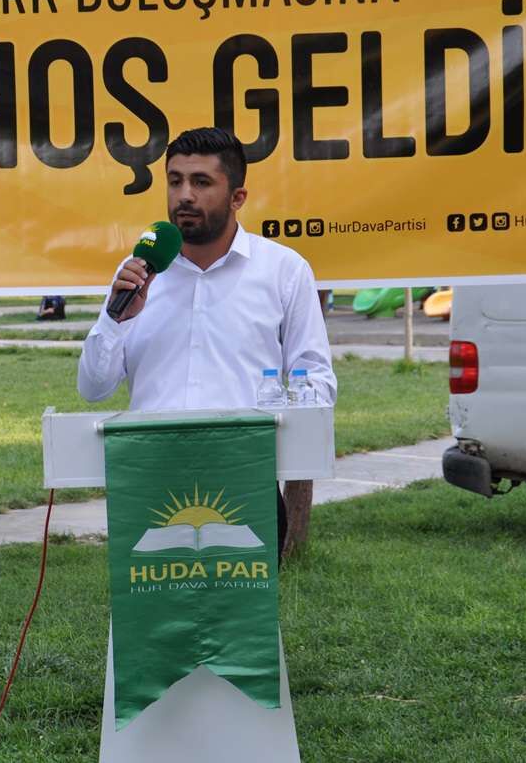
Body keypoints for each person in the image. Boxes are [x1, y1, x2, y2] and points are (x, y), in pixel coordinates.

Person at [77, 127, 336, 556]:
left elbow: (317, 382)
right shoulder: (139, 272)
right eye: (175, 180)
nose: (184, 195)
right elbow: (93, 387)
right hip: (148, 478)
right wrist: (116, 318)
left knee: (242, 603)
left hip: (245, 477)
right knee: (150, 600)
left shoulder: (283, 271)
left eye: (201, 182)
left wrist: (280, 423)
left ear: (237, 197)